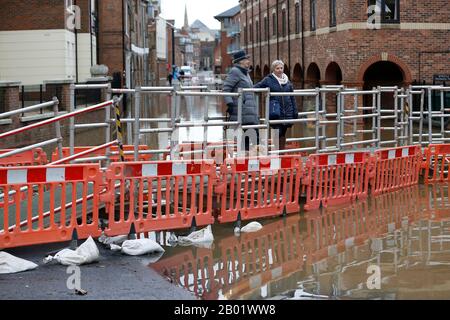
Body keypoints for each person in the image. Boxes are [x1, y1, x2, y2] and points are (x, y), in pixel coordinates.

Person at [254, 60, 298, 150]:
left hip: (287, 111)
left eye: (281, 68)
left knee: (283, 133)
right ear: (273, 69)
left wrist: (295, 111)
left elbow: (292, 97)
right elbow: (257, 87)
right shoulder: (268, 80)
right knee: (277, 132)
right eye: (277, 68)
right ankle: (276, 153)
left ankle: (281, 153)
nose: (280, 70)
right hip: (275, 111)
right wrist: (245, 88)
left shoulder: (287, 82)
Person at [223, 50, 259, 152]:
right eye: (246, 59)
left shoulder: (245, 73)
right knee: (252, 135)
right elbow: (226, 89)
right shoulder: (235, 71)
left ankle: (246, 161)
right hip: (242, 110)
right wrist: (229, 103)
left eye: (248, 59)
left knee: (251, 136)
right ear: (240, 62)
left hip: (249, 110)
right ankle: (244, 160)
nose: (248, 61)